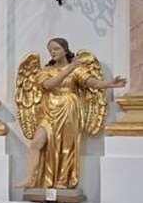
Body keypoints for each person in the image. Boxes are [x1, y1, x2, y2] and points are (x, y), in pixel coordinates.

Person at [18, 37, 125, 190]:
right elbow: (48, 85)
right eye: (50, 50)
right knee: (36, 143)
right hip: (48, 112)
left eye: (56, 49)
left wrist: (109, 83)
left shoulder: (77, 70)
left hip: (69, 111)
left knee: (66, 147)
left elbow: (92, 83)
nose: (52, 52)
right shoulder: (46, 71)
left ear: (65, 50)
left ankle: (62, 181)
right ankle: (29, 178)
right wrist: (70, 68)